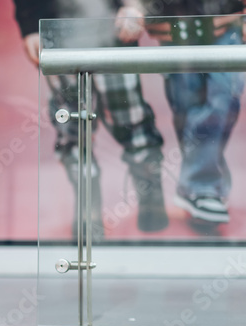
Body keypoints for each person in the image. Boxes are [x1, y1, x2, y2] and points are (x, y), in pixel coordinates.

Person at [14, 0, 169, 238]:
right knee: (73, 129)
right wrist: (30, 26)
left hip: (113, 27)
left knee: (130, 118)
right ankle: (88, 208)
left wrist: (136, 6)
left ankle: (150, 195)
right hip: (58, 30)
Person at [139, 0, 246, 229]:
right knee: (187, 108)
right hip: (175, 27)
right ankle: (203, 192)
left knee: (223, 100)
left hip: (226, 23)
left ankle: (202, 188)